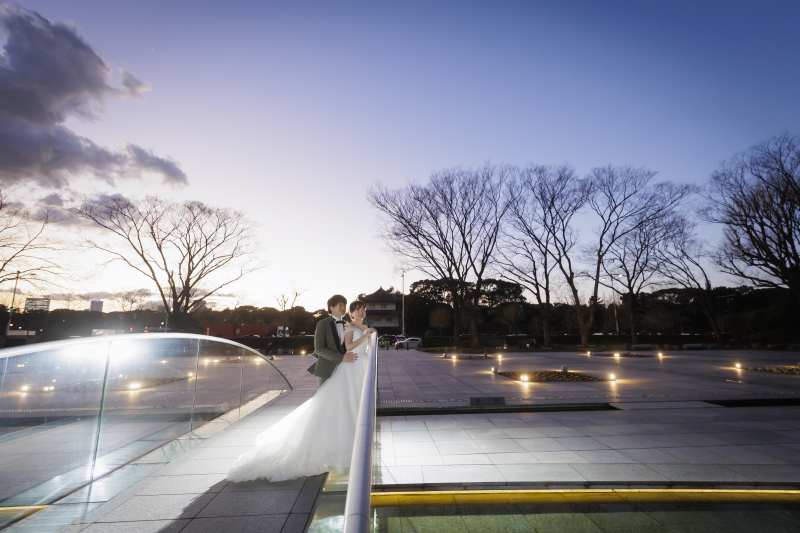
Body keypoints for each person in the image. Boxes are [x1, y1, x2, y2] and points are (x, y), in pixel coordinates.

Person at [227, 298, 376, 482]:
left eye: (346, 305)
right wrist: (342, 357)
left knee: (345, 407)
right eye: (340, 305)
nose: (344, 308)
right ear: (331, 307)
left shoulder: (352, 325)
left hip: (352, 368)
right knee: (327, 409)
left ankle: (349, 445)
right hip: (338, 368)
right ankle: (324, 448)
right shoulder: (324, 324)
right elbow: (320, 348)